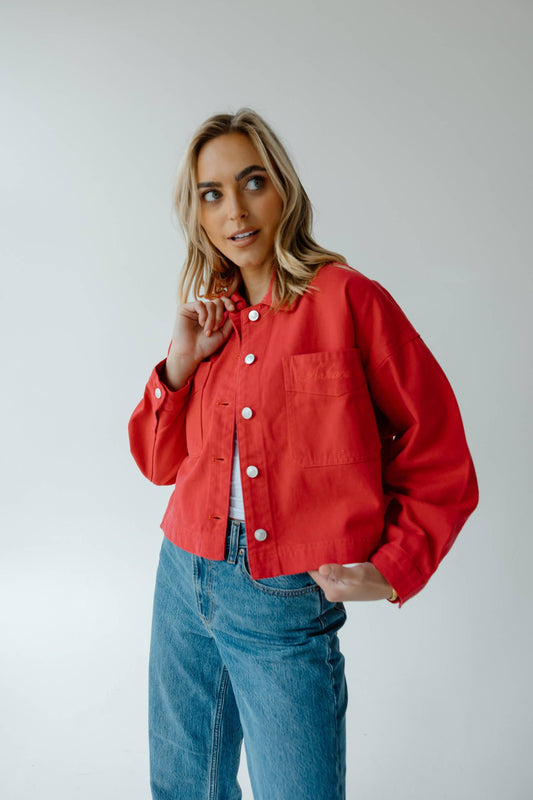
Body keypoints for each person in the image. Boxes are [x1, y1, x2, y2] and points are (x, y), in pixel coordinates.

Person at [128, 107, 478, 800]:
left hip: (284, 598)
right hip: (181, 575)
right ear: (196, 214)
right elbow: (159, 465)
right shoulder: (211, 321)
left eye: (252, 182)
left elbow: (439, 450)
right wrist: (178, 364)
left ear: (283, 189)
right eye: (211, 193)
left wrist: (392, 568)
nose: (235, 210)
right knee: (181, 787)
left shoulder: (351, 301)